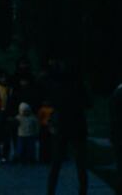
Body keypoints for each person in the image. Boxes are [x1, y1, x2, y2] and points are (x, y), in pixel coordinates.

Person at [45, 60, 90, 195]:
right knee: (80, 163)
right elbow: (88, 102)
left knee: (56, 163)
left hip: (63, 126)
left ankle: (50, 192)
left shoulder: (57, 85)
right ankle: (82, 192)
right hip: (77, 125)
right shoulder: (78, 85)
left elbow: (52, 103)